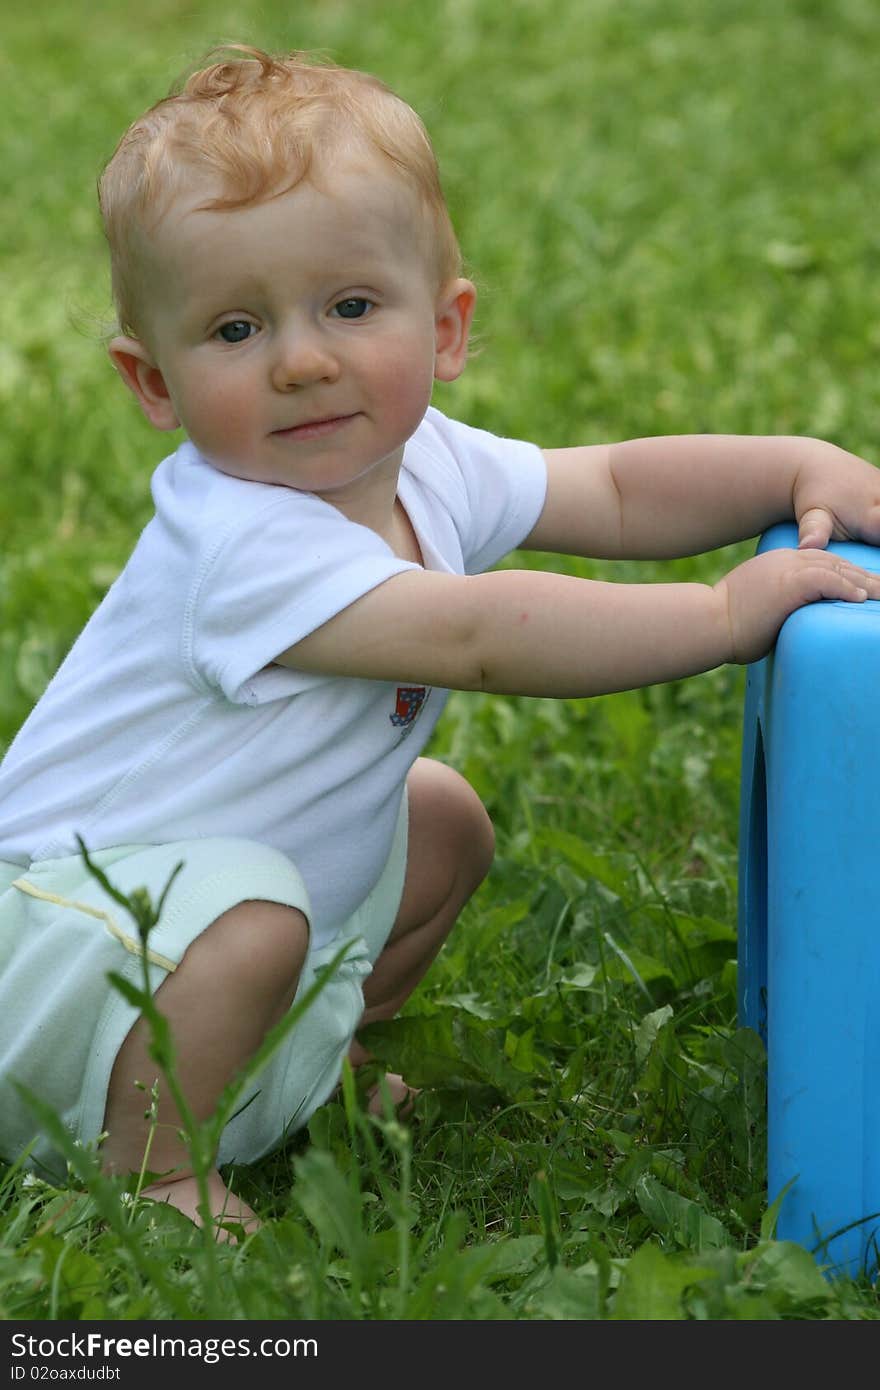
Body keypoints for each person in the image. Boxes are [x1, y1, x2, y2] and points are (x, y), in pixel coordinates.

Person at [2, 44, 880, 1239]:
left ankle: (314, 1062)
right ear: (152, 382)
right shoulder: (240, 541)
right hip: (58, 945)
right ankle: (149, 1166)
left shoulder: (419, 463)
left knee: (443, 818)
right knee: (253, 915)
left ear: (447, 324)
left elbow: (615, 488)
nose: (302, 358)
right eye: (235, 327)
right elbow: (471, 635)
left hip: (203, 918)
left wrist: (788, 467)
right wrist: (719, 615)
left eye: (350, 307)